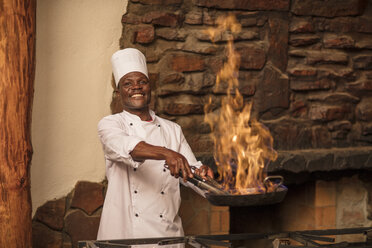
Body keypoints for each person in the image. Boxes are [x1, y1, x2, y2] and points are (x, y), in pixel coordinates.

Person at [97, 48, 213, 241]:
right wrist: (168, 153)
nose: (136, 87)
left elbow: (189, 170)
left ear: (150, 87)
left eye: (142, 82)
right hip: (126, 236)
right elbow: (130, 148)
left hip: (167, 235)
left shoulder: (172, 129)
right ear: (119, 92)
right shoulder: (110, 124)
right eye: (128, 83)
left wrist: (202, 175)